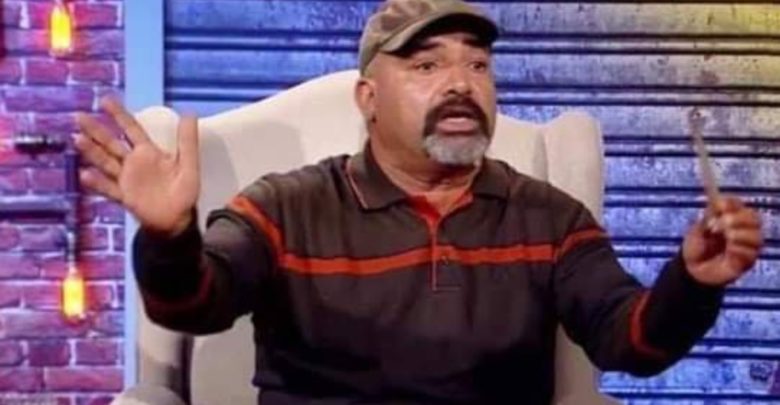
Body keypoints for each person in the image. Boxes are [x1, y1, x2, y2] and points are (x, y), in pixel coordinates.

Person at [74, 0, 764, 403]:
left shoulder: (548, 216)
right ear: (368, 99)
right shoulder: (287, 206)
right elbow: (195, 306)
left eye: (477, 65)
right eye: (427, 65)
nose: (460, 83)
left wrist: (692, 281)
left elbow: (630, 340)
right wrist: (169, 237)